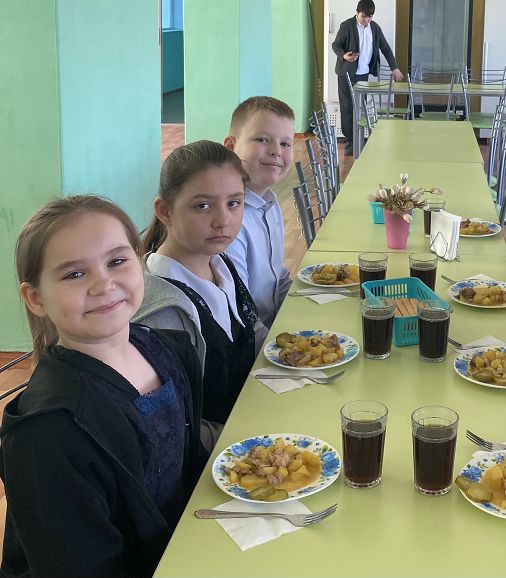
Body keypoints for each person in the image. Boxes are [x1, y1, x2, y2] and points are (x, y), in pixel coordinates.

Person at [1, 195, 206, 577]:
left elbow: (188, 464)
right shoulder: (48, 430)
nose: (103, 284)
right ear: (36, 298)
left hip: (187, 549)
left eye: (116, 261)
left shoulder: (165, 348)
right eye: (74, 274)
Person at [140, 140, 259, 431]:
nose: (223, 220)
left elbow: (253, 331)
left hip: (255, 415)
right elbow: (172, 425)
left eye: (234, 203)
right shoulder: (160, 314)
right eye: (203, 206)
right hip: (219, 450)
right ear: (165, 211)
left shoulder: (220, 263)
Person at [223, 96, 294, 344]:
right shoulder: (229, 221)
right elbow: (241, 311)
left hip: (274, 330)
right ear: (231, 147)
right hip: (253, 346)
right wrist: (285, 346)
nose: (276, 151)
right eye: (263, 140)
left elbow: (279, 276)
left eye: (285, 143)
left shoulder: (270, 203)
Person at [332, 0, 404, 156]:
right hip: (346, 73)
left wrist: (395, 68)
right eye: (363, 16)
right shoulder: (347, 25)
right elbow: (336, 45)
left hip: (364, 74)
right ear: (357, 13)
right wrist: (344, 56)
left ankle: (359, 138)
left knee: (360, 108)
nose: (366, 20)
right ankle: (350, 142)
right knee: (347, 108)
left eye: (369, 17)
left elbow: (386, 49)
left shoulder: (375, 28)